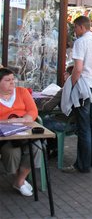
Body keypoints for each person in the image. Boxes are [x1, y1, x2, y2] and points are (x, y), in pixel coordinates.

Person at [63, 15, 92, 173]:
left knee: (84, 127)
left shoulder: (80, 42)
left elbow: (78, 68)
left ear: (81, 27)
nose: (74, 31)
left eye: (75, 27)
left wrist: (72, 84)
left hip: (85, 88)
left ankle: (82, 165)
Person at [0, 67, 40, 197]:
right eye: (7, 80)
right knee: (12, 152)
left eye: (13, 79)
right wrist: (7, 122)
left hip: (25, 131)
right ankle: (19, 179)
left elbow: (33, 111)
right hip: (5, 136)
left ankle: (20, 180)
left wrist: (25, 119)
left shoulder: (22, 92)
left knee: (37, 148)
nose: (12, 83)